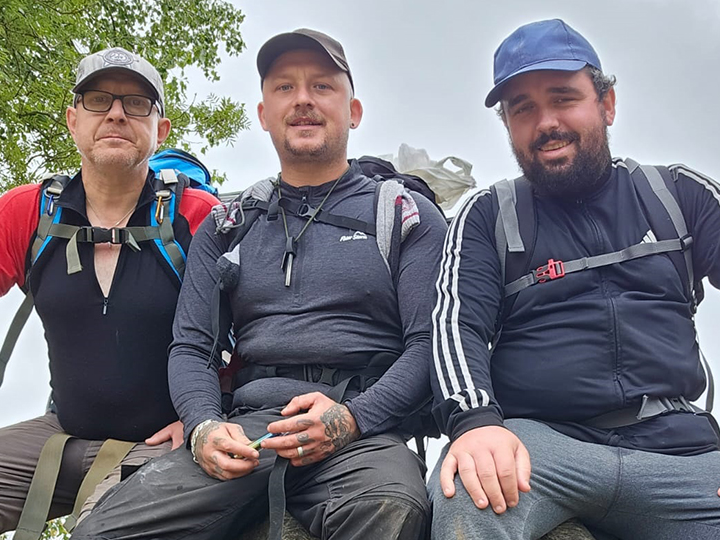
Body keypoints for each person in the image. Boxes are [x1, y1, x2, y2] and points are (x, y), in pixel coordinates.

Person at [72, 28, 445, 540]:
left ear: (353, 111)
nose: (303, 101)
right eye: (285, 88)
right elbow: (191, 347)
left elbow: (429, 345)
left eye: (322, 86)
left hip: (363, 428)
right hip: (248, 428)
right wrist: (203, 425)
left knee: (392, 507)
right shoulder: (227, 224)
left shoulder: (403, 214)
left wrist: (353, 419)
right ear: (263, 114)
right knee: (103, 530)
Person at [429, 18, 720, 540]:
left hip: (682, 456)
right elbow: (453, 323)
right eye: (522, 108)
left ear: (607, 104)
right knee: (467, 494)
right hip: (540, 451)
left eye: (563, 97)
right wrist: (474, 421)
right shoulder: (487, 214)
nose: (546, 121)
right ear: (507, 125)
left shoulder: (680, 195)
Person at [0, 47, 219, 539]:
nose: (117, 114)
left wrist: (206, 418)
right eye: (99, 99)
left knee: (105, 529)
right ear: (73, 120)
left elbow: (252, 329)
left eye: (137, 103)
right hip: (61, 433)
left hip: (166, 442)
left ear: (160, 130)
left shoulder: (197, 216)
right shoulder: (27, 214)